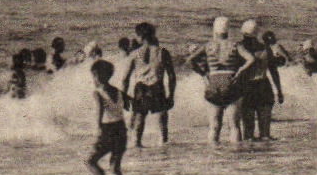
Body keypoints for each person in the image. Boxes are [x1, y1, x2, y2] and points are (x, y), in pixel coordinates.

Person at [185, 16, 250, 144]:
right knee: (234, 126)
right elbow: (251, 59)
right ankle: (236, 153)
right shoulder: (234, 45)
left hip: (213, 82)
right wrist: (240, 71)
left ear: (215, 31)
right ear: (228, 31)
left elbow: (189, 61)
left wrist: (203, 74)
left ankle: (214, 155)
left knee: (214, 126)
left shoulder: (208, 46)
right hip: (230, 82)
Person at [121, 21, 176, 146]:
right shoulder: (162, 52)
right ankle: (163, 148)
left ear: (141, 37)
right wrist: (171, 95)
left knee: (138, 124)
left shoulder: (134, 54)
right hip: (157, 87)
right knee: (162, 126)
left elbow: (125, 78)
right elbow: (172, 76)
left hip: (141, 89)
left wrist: (124, 97)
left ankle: (137, 149)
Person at [234, 19, 283, 141]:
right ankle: (265, 158)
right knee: (265, 133)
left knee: (248, 133)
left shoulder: (239, 48)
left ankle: (251, 158)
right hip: (264, 87)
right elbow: (273, 71)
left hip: (247, 88)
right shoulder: (266, 49)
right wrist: (279, 91)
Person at [86, 59, 126, 175]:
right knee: (115, 168)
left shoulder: (98, 93)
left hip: (108, 130)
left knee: (90, 162)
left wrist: (98, 131)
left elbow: (100, 111)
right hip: (121, 129)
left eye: (93, 76)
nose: (93, 79)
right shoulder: (118, 91)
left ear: (97, 76)